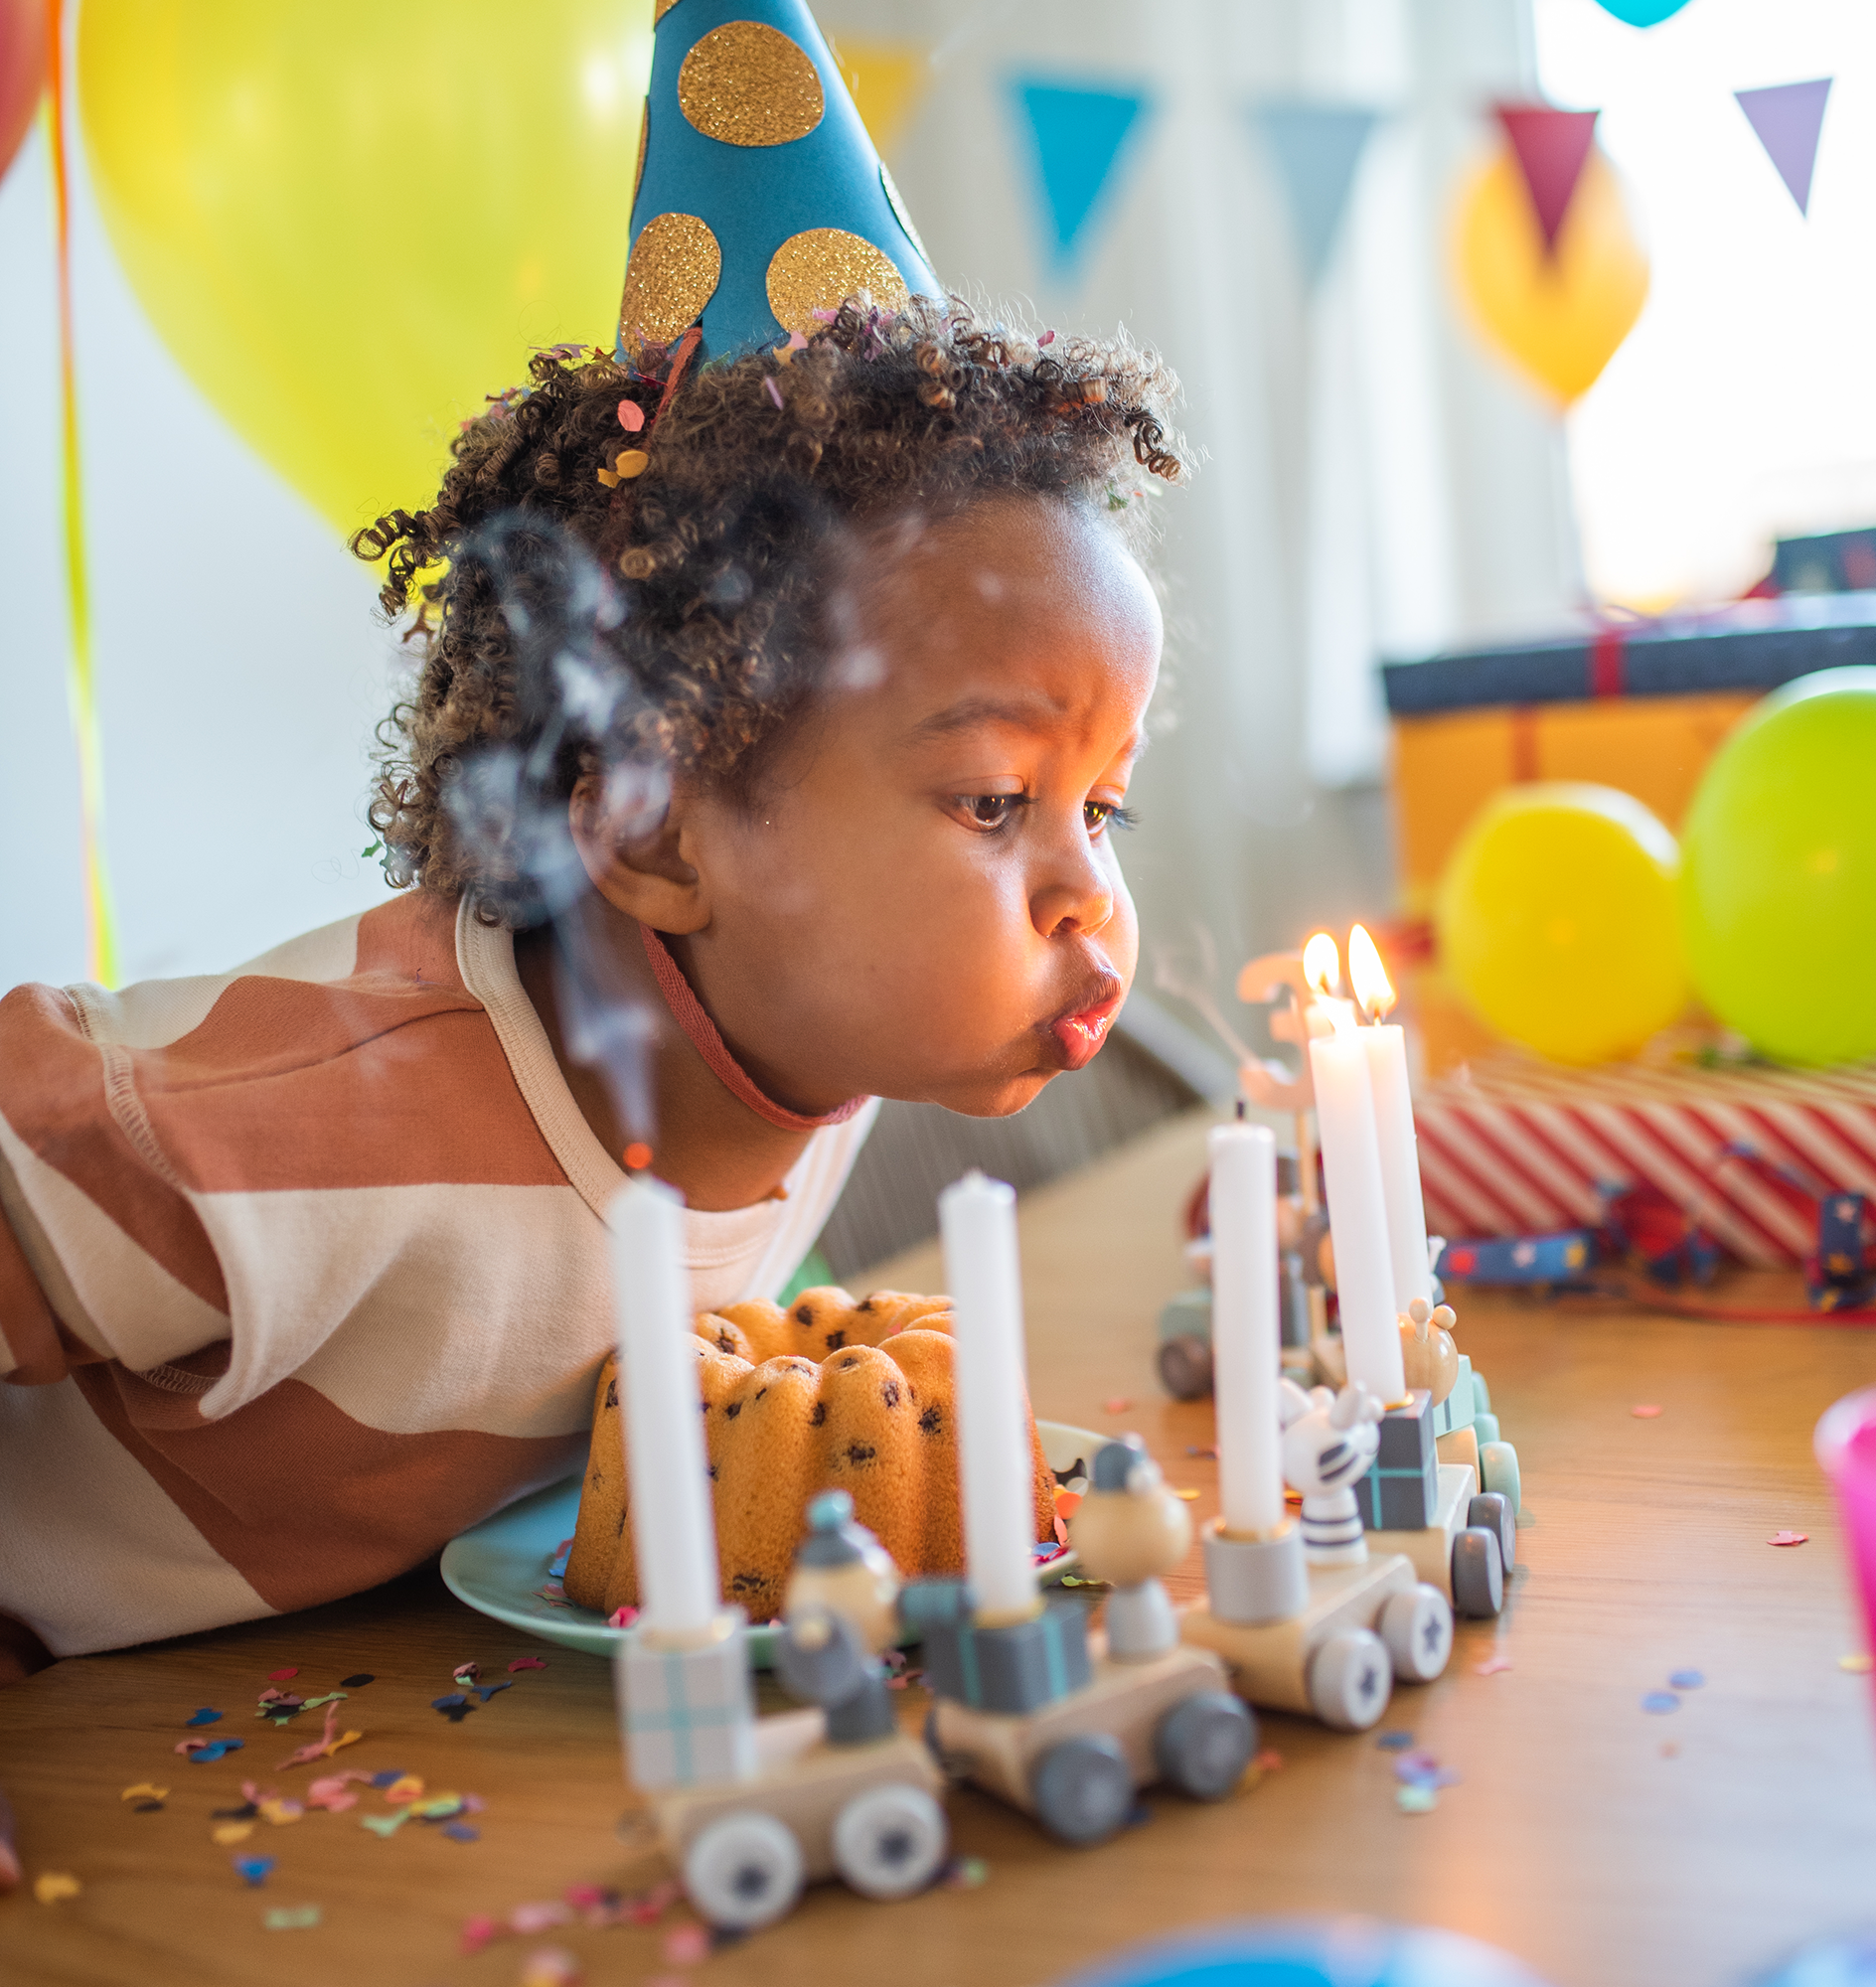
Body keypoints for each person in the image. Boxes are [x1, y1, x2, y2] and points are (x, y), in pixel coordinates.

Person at [0, 298, 1185, 1698]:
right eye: (997, 800)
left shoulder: (810, 1060)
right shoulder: (319, 1120)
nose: (1087, 894)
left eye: (1102, 806)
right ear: (657, 835)